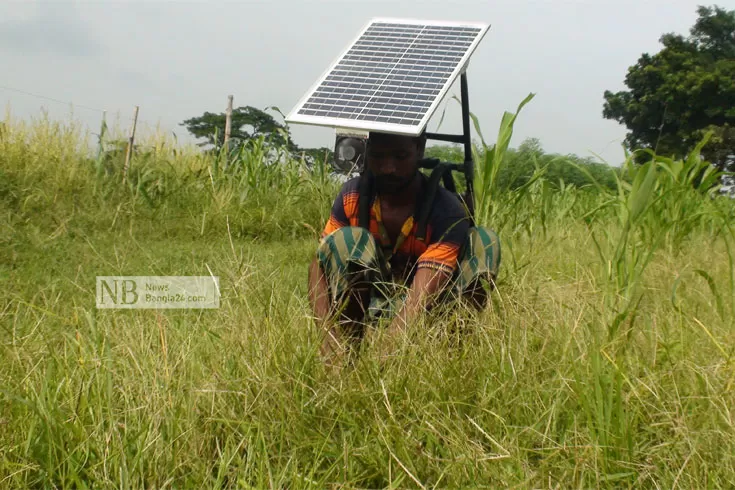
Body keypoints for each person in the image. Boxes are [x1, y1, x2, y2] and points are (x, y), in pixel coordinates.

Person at [307, 130, 501, 367]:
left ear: (419, 149)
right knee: (347, 239)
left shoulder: (446, 209)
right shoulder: (352, 196)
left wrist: (385, 356)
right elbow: (319, 263)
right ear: (367, 153)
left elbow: (420, 298)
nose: (389, 168)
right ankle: (348, 354)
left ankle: (453, 359)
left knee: (484, 241)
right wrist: (327, 337)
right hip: (373, 300)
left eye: (401, 156)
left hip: (429, 305)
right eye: (378, 156)